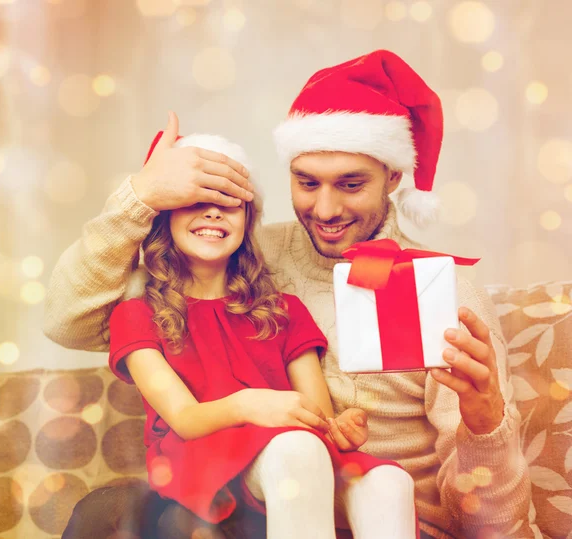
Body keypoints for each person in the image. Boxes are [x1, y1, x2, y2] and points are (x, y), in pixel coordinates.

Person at [46, 50, 533, 539]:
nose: (325, 208)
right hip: (255, 504)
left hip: (387, 513)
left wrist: (486, 424)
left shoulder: (444, 291)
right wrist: (140, 197)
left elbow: (494, 528)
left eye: (350, 184)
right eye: (307, 182)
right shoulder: (250, 261)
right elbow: (69, 321)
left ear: (394, 176)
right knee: (105, 514)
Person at [106, 131, 418, 539]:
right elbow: (185, 419)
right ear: (165, 219)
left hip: (292, 450)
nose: (214, 214)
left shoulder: (283, 310)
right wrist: (250, 404)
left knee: (389, 482)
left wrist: (340, 427)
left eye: (229, 205)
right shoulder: (137, 314)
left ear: (247, 221)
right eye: (197, 203)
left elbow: (316, 417)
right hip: (201, 454)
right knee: (297, 450)